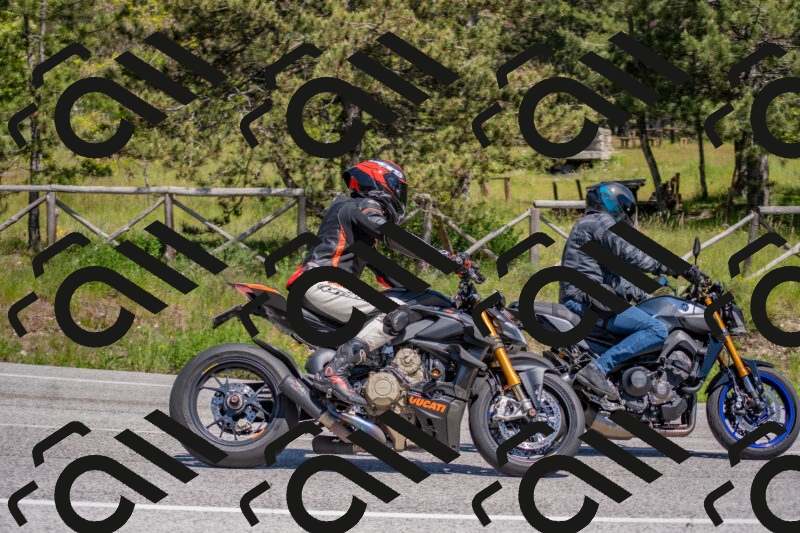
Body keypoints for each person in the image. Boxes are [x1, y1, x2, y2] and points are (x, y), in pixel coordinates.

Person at [286, 159, 467, 406]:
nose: (400, 195)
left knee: (402, 307)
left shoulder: (357, 229)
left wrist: (432, 298)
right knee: (393, 311)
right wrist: (444, 258)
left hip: (322, 286)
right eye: (398, 187)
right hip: (317, 283)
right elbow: (392, 236)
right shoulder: (358, 206)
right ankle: (334, 373)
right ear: (378, 182)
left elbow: (386, 273)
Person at [559, 182, 701, 400]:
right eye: (625, 205)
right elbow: (632, 253)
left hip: (587, 299)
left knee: (647, 319)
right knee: (656, 329)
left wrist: (651, 296)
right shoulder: (599, 221)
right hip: (585, 301)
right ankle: (599, 368)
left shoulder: (592, 226)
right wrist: (675, 267)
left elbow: (617, 280)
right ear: (613, 202)